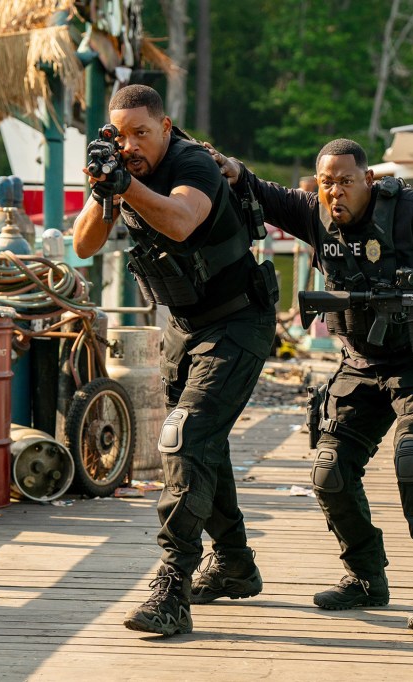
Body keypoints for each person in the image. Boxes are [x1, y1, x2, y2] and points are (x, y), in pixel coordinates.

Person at [207, 138, 413, 633]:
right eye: (326, 183)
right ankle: (366, 579)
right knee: (328, 469)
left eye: (345, 181)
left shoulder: (409, 210)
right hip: (361, 361)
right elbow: (262, 190)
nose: (335, 192)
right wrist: (232, 169)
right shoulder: (314, 214)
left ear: (368, 179)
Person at [73, 85, 279, 637]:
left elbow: (182, 220)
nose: (131, 143)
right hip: (185, 327)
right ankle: (235, 563)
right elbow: (83, 246)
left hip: (238, 318)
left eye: (142, 132)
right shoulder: (121, 169)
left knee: (185, 438)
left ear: (166, 126)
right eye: (121, 135)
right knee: (199, 441)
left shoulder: (192, 162)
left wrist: (127, 184)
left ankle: (172, 585)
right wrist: (103, 189)